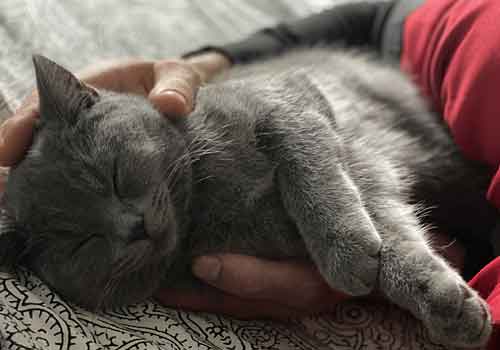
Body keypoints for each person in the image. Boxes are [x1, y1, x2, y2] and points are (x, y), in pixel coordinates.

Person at [1, 0, 500, 347]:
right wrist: (204, 65)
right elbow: (372, 20)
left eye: (115, 178)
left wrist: (388, 263)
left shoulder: (203, 142)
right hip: (398, 38)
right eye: (83, 242)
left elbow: (297, 112)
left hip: (388, 106)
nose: (127, 225)